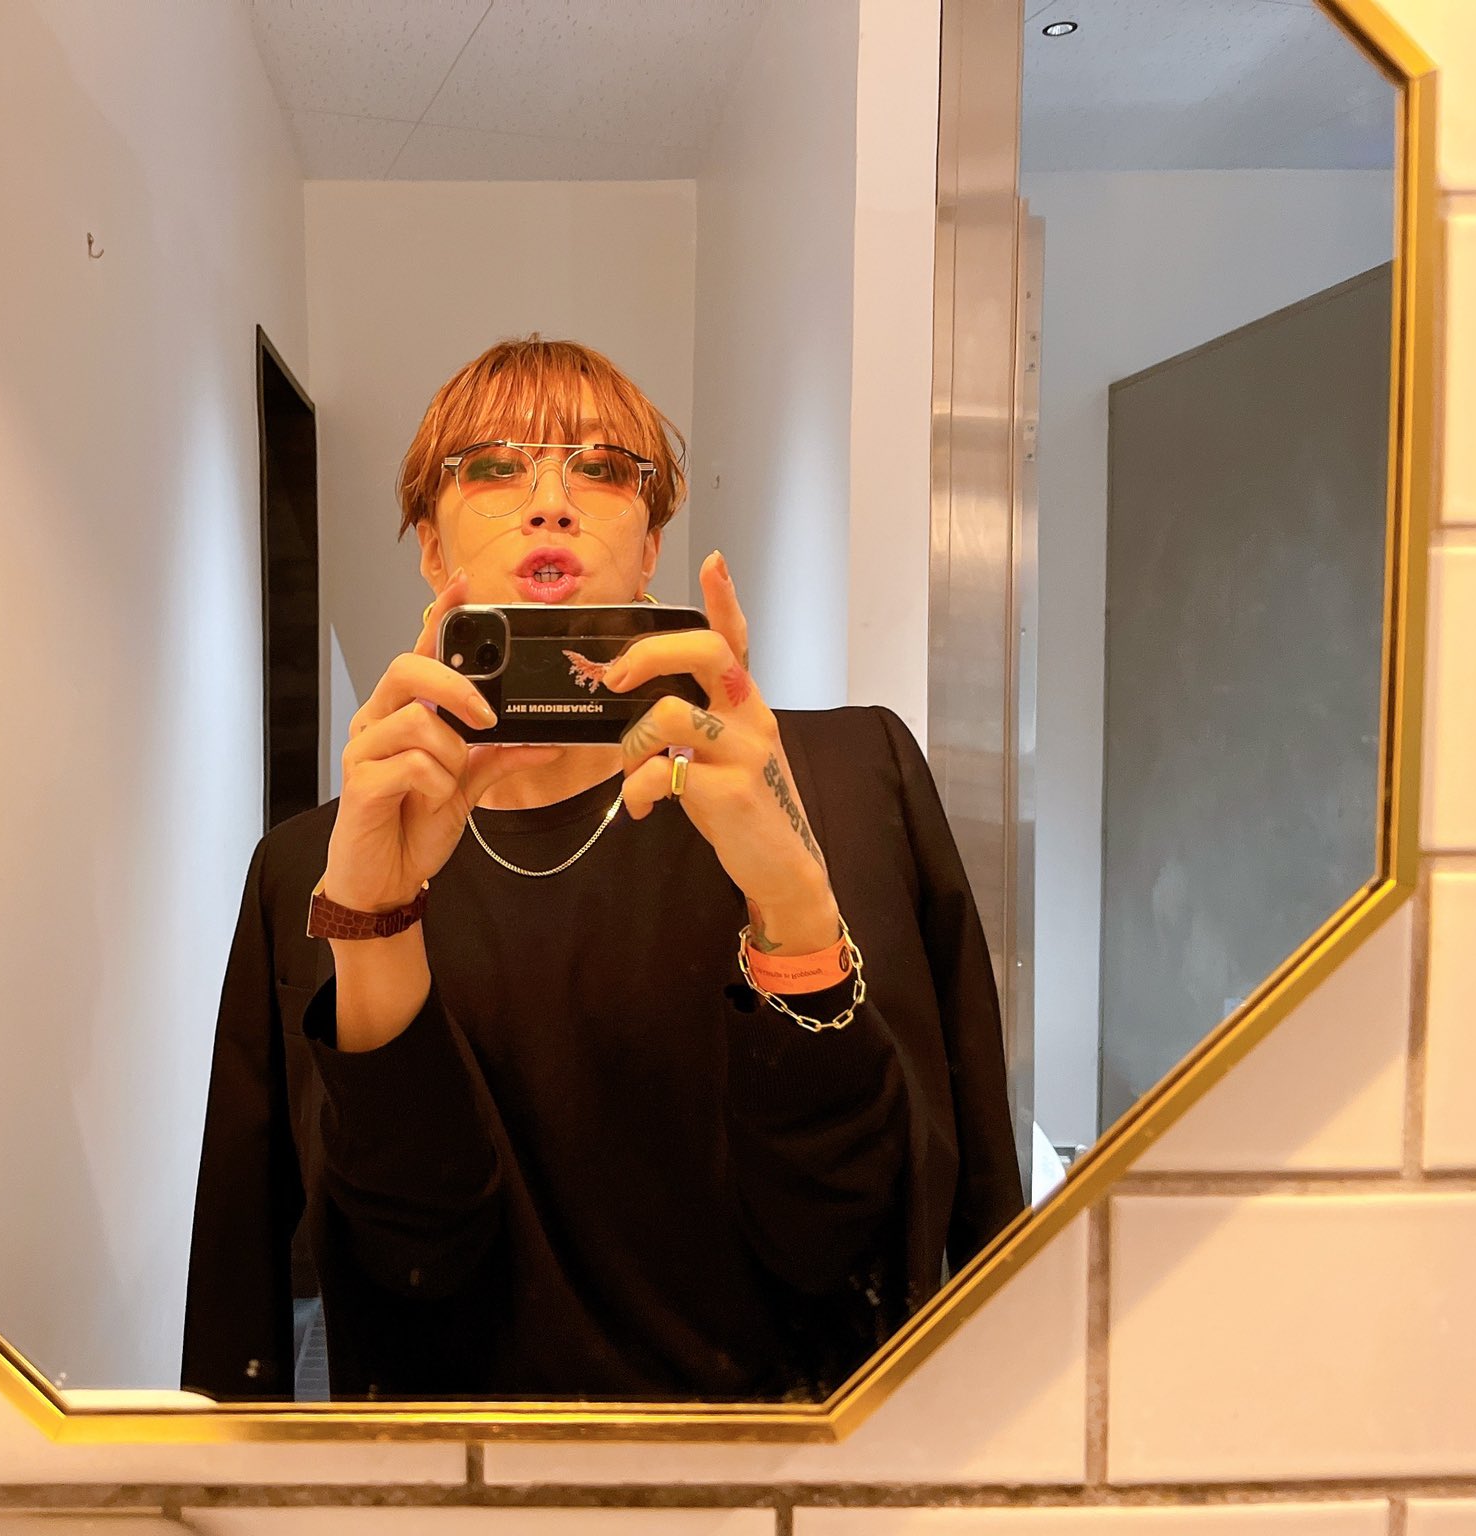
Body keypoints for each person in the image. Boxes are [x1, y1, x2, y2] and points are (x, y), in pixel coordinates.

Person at [182, 336, 1022, 1402]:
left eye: (602, 467)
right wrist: (377, 920)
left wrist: (791, 901)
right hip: (465, 1477)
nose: (550, 502)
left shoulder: (852, 779)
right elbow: (386, 1269)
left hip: (792, 1466)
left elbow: (885, 1235)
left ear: (652, 541)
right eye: (493, 468)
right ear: (432, 551)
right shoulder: (319, 867)